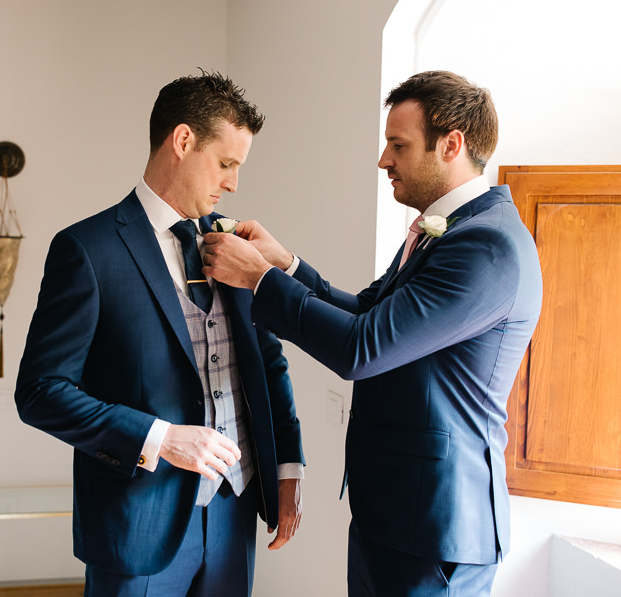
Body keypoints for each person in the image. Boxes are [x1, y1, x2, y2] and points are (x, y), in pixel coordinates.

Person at [202, 70, 543, 597]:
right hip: (391, 514)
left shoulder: (487, 247)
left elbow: (362, 348)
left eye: (398, 145)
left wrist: (256, 278)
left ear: (451, 144)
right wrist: (286, 264)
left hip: (436, 530)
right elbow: (368, 312)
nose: (384, 159)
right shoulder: (445, 230)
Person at [14, 70, 305, 597]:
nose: (234, 183)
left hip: (234, 509)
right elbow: (40, 393)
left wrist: (288, 470)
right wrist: (161, 438)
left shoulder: (234, 244)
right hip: (136, 522)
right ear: (183, 140)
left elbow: (269, 363)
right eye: (226, 164)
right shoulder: (87, 249)